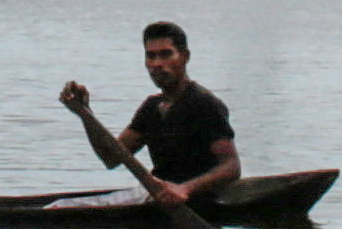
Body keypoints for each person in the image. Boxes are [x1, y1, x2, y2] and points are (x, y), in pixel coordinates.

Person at [59, 19, 241, 212]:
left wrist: (184, 189)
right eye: (151, 56)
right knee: (59, 207)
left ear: (185, 57)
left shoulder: (204, 104)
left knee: (60, 209)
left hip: (194, 201)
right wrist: (85, 113)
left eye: (166, 55)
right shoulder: (151, 107)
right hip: (157, 197)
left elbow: (231, 167)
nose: (157, 64)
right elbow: (111, 158)